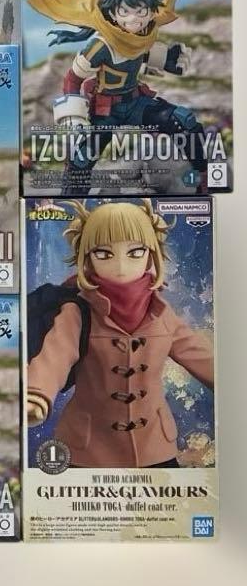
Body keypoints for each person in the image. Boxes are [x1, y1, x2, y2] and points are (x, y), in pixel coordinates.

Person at [27, 200, 214, 468]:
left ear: (151, 254)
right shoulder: (77, 310)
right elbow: (54, 356)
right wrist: (36, 395)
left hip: (155, 446)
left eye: (135, 252)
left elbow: (198, 354)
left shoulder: (161, 313)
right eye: (104, 254)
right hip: (88, 449)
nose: (121, 265)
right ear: (87, 257)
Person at [24, 0, 210, 194]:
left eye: (141, 11)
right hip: (106, 111)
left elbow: (143, 53)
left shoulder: (145, 35)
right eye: (125, 11)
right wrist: (73, 117)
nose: (134, 19)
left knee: (185, 121)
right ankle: (69, 202)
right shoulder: (100, 46)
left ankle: (203, 181)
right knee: (81, 159)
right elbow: (73, 78)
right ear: (112, 12)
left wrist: (168, 59)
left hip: (136, 103)